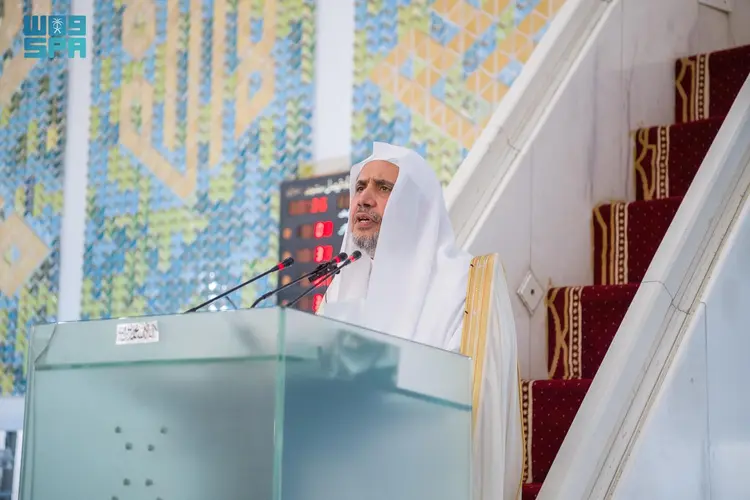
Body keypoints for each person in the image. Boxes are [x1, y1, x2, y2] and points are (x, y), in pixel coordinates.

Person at [317, 142, 524, 500]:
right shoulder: (341, 288)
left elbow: (471, 402)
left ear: (417, 206)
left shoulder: (466, 284)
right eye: (360, 187)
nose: (364, 199)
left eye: (383, 187)